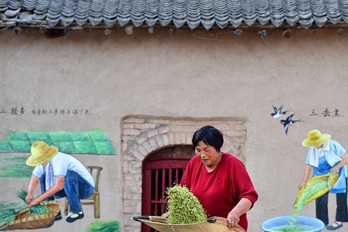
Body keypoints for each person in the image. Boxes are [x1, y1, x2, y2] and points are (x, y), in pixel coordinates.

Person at [179, 125, 258, 231]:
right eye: (198, 150)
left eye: (207, 150)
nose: (202, 155)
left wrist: (235, 213)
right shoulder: (194, 163)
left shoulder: (233, 164)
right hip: (199, 228)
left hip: (227, 229)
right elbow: (182, 194)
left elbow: (249, 196)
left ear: (217, 147)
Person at [25, 141, 95, 223]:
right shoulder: (43, 163)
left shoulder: (59, 159)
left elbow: (59, 186)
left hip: (85, 188)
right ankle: (54, 211)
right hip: (68, 188)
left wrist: (37, 200)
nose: (40, 162)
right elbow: (35, 177)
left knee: (69, 174)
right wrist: (29, 193)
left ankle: (78, 211)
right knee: (43, 176)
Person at [299, 129, 348, 231]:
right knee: (320, 199)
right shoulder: (312, 150)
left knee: (341, 198)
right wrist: (304, 181)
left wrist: (337, 167)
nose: (316, 145)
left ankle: (339, 221)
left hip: (337, 173)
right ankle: (322, 222)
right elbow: (308, 166)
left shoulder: (333, 145)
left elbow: (346, 158)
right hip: (320, 175)